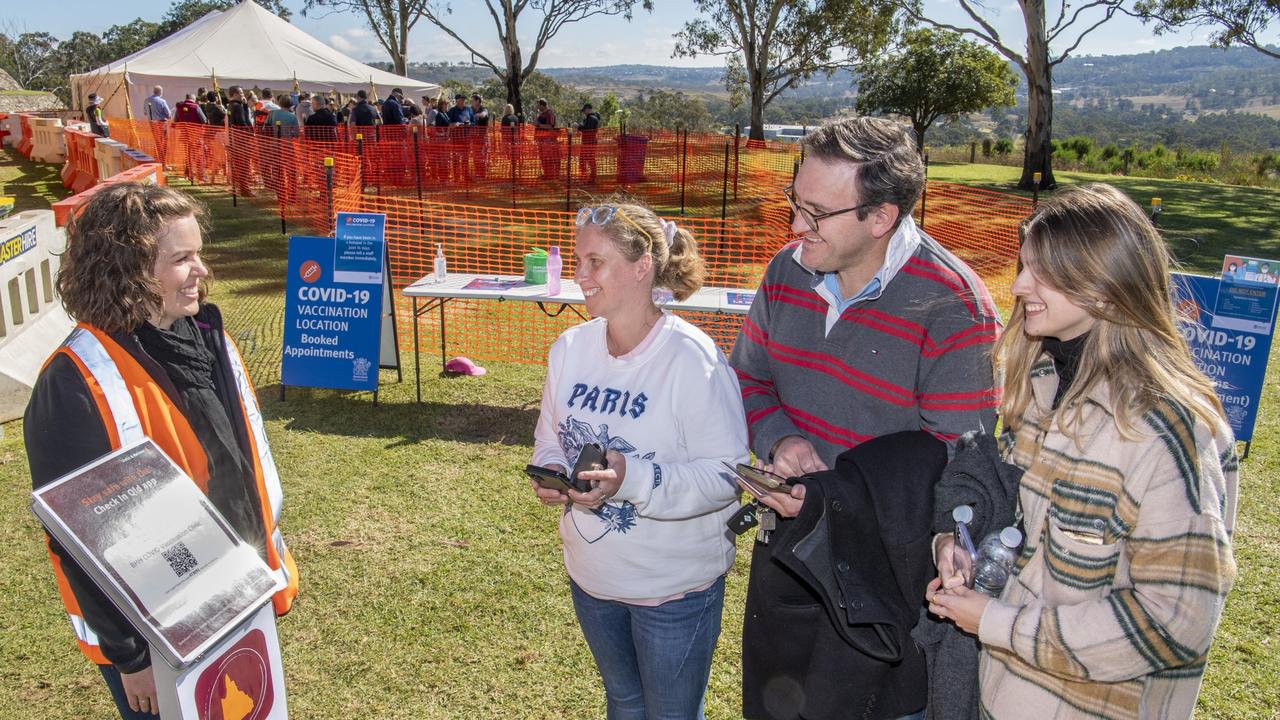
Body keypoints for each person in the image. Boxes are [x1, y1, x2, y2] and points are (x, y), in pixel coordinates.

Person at [927, 183, 1238, 720]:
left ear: (1106, 288)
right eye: (1024, 265)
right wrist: (959, 547)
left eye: (1042, 273)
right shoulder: (1045, 386)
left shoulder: (1163, 429)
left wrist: (998, 623)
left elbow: (1175, 620)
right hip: (1005, 697)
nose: (1020, 284)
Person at [729, 115, 1000, 719]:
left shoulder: (954, 307)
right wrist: (780, 439)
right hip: (788, 558)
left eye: (817, 213)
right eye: (795, 202)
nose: (796, 226)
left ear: (881, 217)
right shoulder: (786, 271)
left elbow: (962, 469)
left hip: (888, 586)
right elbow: (748, 377)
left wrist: (837, 497)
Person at [25, 183, 300, 719]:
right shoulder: (75, 382)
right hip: (156, 634)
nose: (202, 270)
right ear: (127, 270)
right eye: (182, 259)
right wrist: (131, 660)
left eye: (199, 253)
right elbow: (79, 540)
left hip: (234, 600)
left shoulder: (206, 339)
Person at [530, 198, 748, 719]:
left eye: (594, 262)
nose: (579, 275)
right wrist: (554, 472)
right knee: (624, 704)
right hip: (594, 579)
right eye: (578, 261)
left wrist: (633, 477)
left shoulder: (692, 359)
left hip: (673, 592)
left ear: (642, 265)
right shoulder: (570, 348)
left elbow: (728, 474)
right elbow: (548, 439)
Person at [534, 98, 561, 180]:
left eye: (538, 105)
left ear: (542, 105)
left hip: (548, 140)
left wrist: (539, 125)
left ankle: (552, 175)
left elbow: (550, 126)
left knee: (549, 157)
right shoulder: (541, 114)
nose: (537, 106)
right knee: (543, 157)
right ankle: (546, 174)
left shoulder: (550, 114)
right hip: (541, 140)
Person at [577, 102, 601, 183]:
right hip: (589, 142)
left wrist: (578, 127)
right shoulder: (592, 118)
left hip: (589, 143)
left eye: (584, 110)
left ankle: (588, 178)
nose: (583, 112)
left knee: (587, 160)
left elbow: (586, 129)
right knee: (587, 160)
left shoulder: (591, 119)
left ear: (588, 109)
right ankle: (587, 178)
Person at [470, 92, 490, 178]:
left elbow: (483, 115)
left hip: (482, 137)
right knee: (475, 155)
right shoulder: (471, 109)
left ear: (478, 101)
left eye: (473, 101)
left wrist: (475, 115)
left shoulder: (483, 109)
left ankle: (483, 174)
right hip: (475, 137)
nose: (472, 103)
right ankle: (478, 172)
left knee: (482, 155)